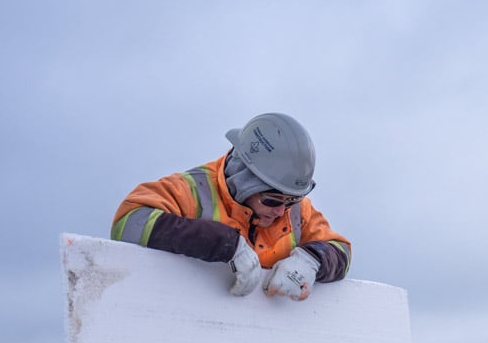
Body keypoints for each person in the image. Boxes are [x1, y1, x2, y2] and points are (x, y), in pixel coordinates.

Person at [111, 113, 351, 301]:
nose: (281, 211)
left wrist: (312, 259)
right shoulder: (192, 190)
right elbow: (129, 222)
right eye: (272, 200)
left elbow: (341, 251)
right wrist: (224, 244)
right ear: (243, 181)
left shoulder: (297, 211)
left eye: (292, 200)